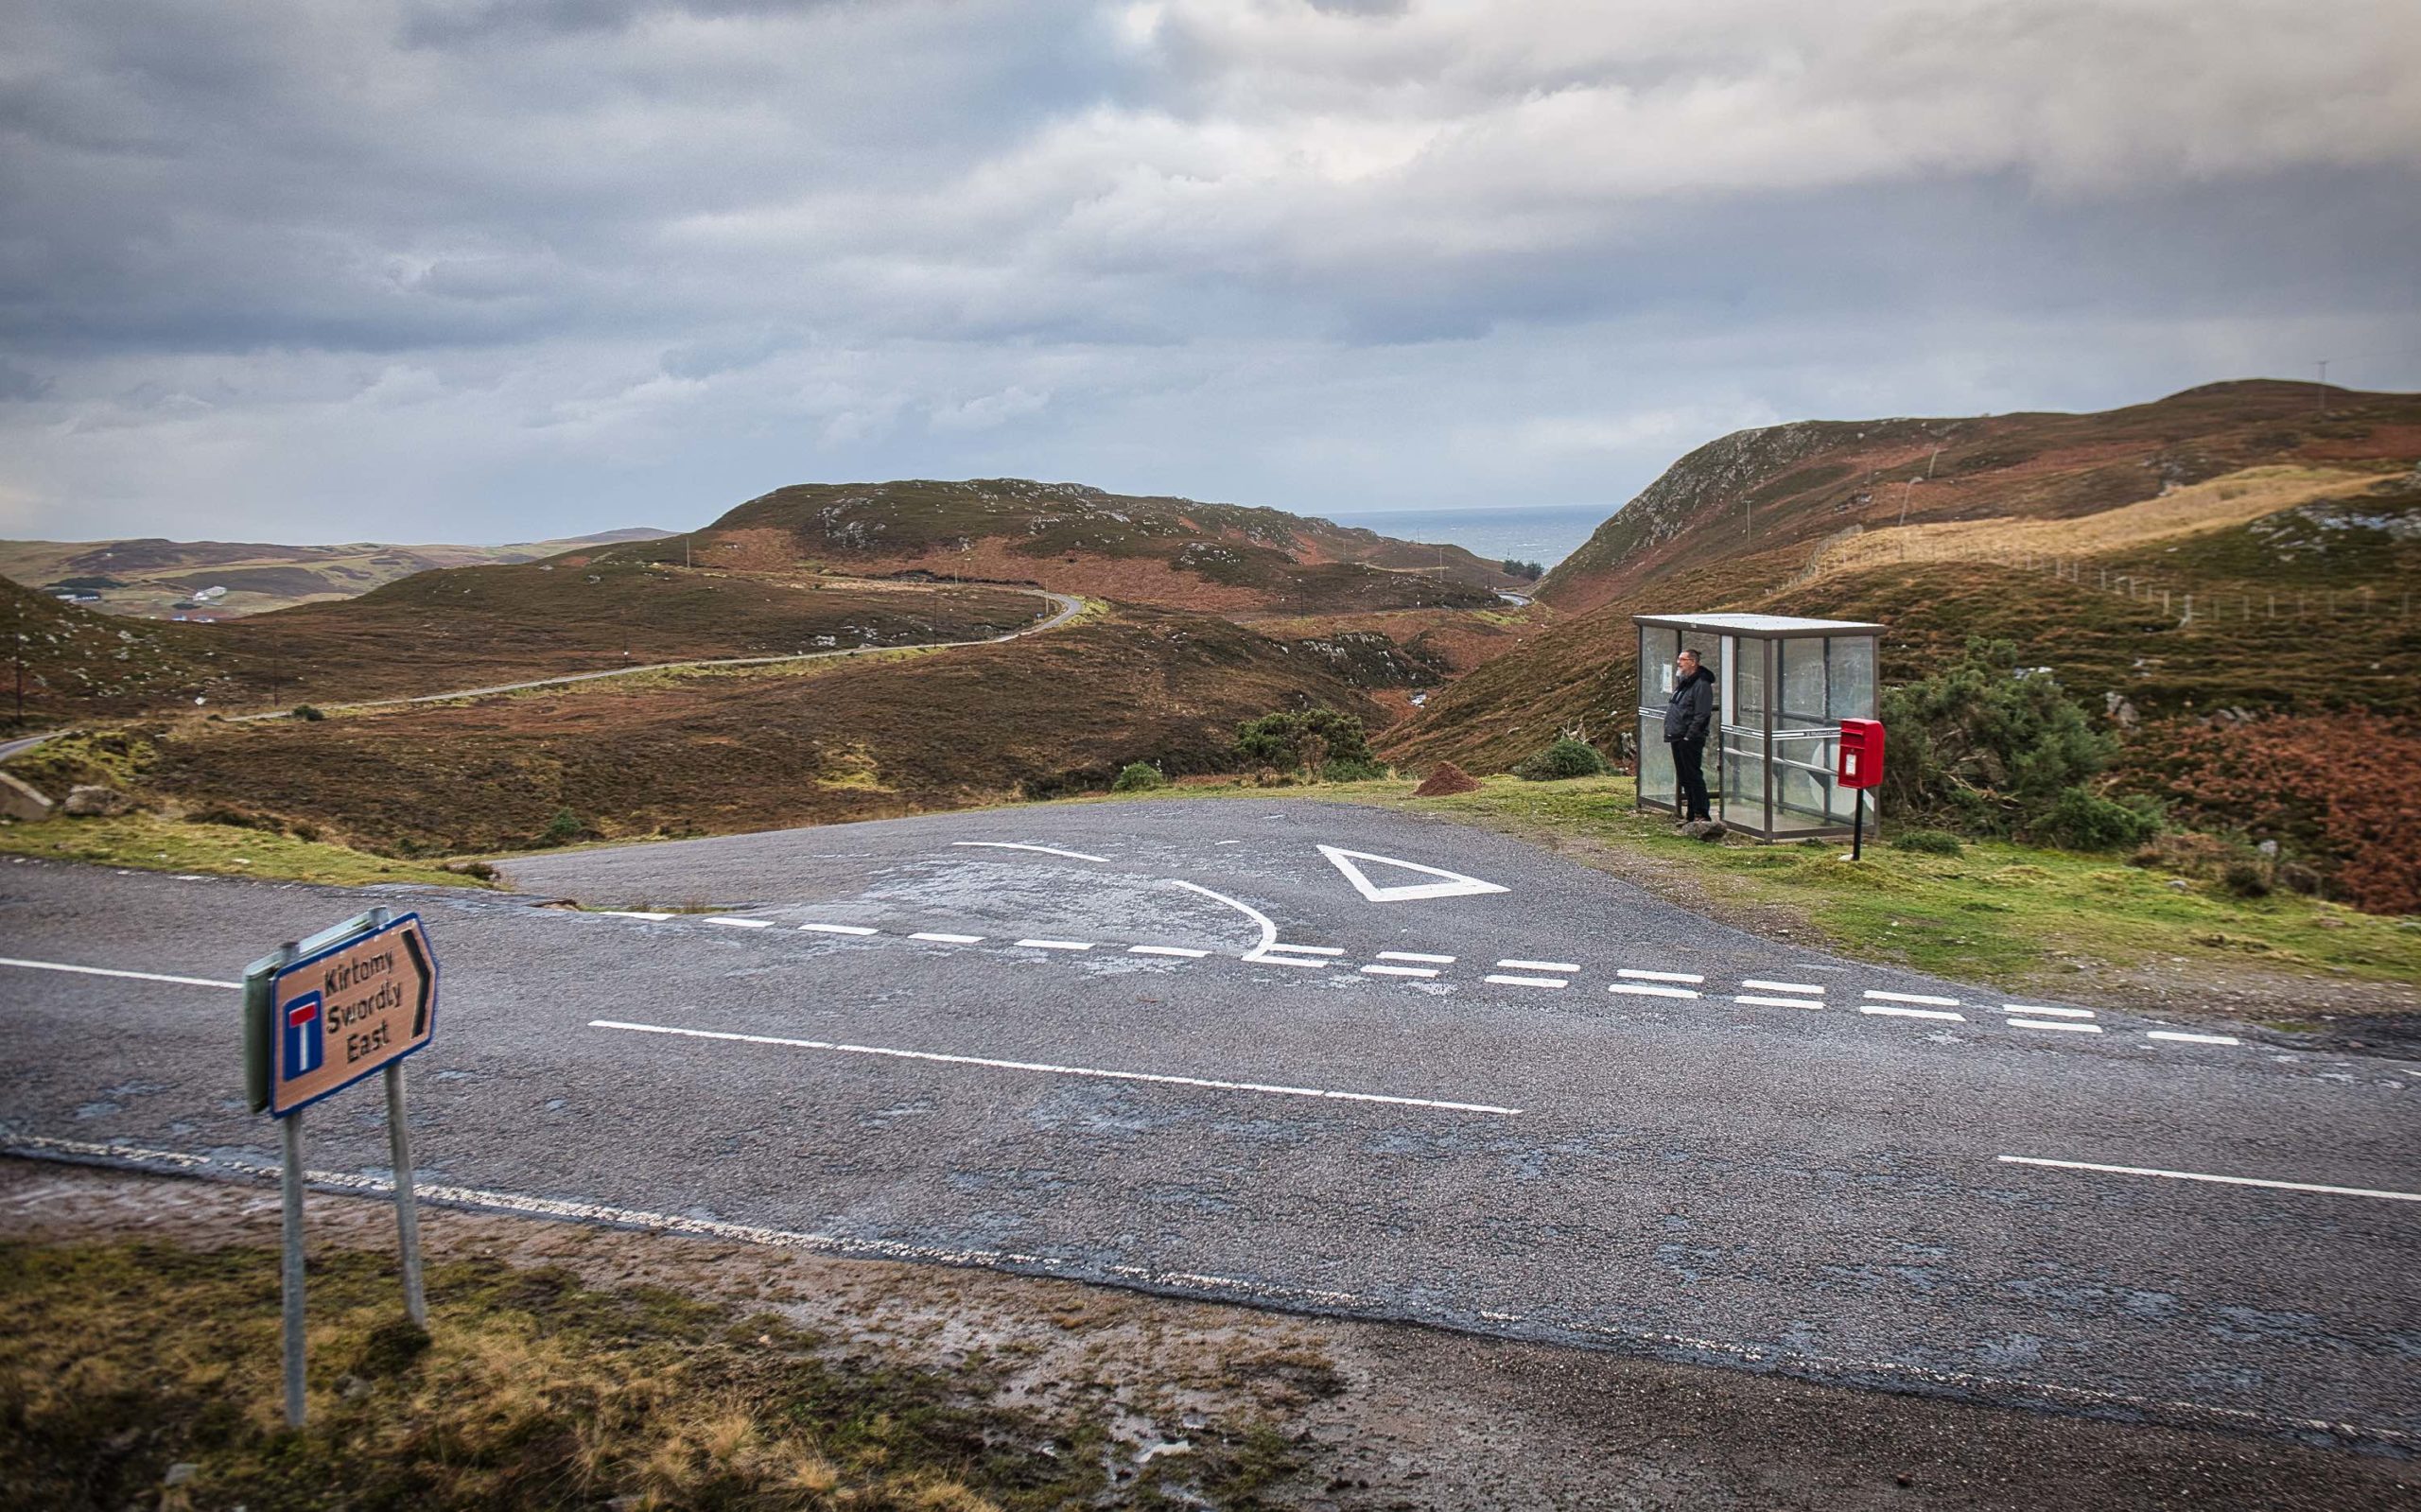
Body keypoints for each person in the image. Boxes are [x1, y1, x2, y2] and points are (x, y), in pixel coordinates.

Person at [1663, 647, 1715, 823]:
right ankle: (1691, 813)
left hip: (1689, 738)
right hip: (1677, 736)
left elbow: (1702, 714)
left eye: (1683, 659)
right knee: (1685, 777)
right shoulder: (1685, 683)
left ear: (1693, 662)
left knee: (1693, 776)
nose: (1679, 662)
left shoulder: (1701, 685)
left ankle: (1701, 813)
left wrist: (1689, 736)